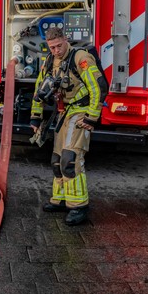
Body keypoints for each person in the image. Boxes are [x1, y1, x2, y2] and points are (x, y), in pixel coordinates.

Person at [30, 28, 105, 226]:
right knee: (56, 160)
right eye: (52, 47)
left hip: (80, 113)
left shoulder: (80, 58)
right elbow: (40, 89)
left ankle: (79, 206)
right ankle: (61, 199)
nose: (56, 50)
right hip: (64, 114)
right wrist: (35, 118)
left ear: (66, 39)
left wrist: (91, 117)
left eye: (59, 45)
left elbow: (98, 87)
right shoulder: (49, 61)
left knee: (70, 159)